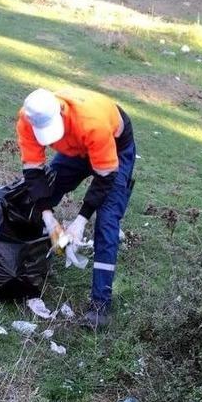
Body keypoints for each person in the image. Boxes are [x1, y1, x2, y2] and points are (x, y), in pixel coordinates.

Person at [16, 87, 136, 328]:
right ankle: (29, 263)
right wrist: (50, 220)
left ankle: (100, 306)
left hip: (113, 145)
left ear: (61, 111)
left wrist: (79, 222)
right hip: (75, 148)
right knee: (45, 190)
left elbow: (105, 178)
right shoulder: (28, 119)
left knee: (107, 219)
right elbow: (33, 173)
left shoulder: (92, 123)